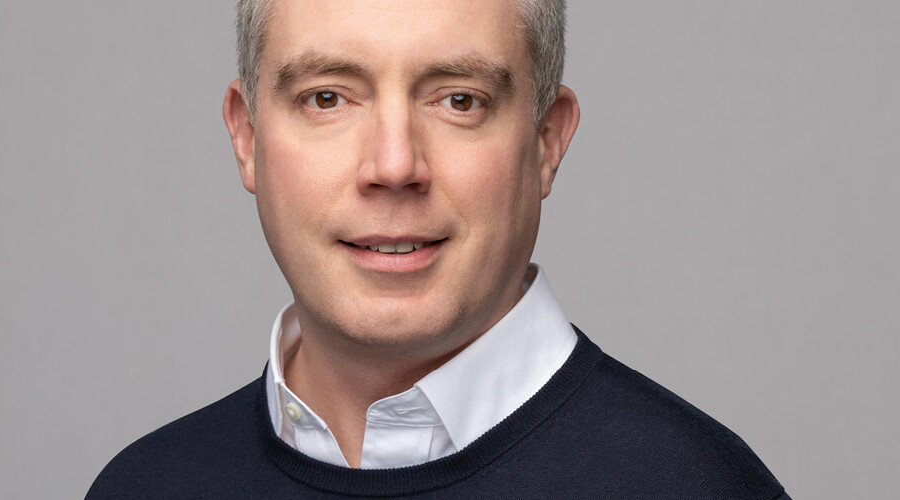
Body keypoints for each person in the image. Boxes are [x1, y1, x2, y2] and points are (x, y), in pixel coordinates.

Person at [87, 0, 790, 498]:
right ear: (246, 138)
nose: (393, 165)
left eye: (459, 100)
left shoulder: (698, 487)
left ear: (547, 140)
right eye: (328, 98)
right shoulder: (145, 486)